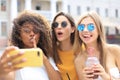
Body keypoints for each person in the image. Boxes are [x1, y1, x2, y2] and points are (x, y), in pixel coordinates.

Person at [0, 10, 61, 80]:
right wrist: (2, 72)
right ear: (19, 35)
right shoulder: (14, 55)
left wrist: (44, 58)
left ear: (40, 35)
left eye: (36, 31)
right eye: (27, 31)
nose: (32, 34)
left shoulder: (47, 56)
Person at [73, 11, 116, 80]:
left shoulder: (115, 50)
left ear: (99, 30)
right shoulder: (78, 60)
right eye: (81, 27)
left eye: (90, 26)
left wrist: (106, 77)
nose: (85, 30)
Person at [51, 12, 78, 80]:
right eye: (55, 25)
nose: (59, 27)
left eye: (64, 24)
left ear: (72, 29)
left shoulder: (82, 49)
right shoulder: (51, 52)